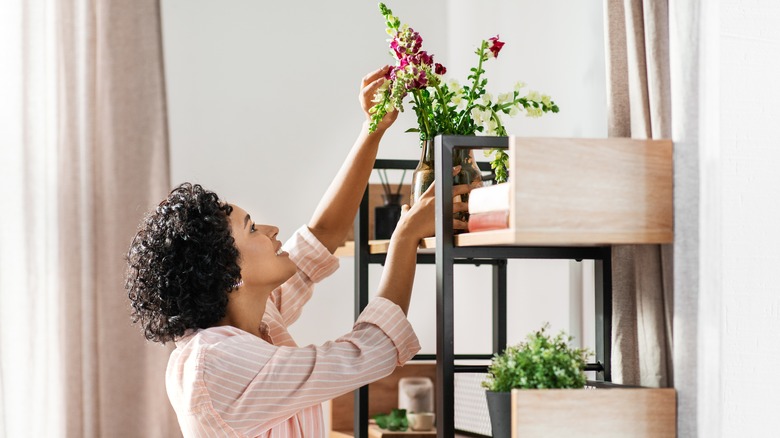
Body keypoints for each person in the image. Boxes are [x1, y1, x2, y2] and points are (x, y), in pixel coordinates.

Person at [125, 66, 471, 437]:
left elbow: (322, 235)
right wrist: (404, 236)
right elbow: (367, 352)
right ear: (230, 272)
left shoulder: (251, 319)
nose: (273, 230)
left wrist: (374, 127)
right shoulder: (217, 363)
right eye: (253, 228)